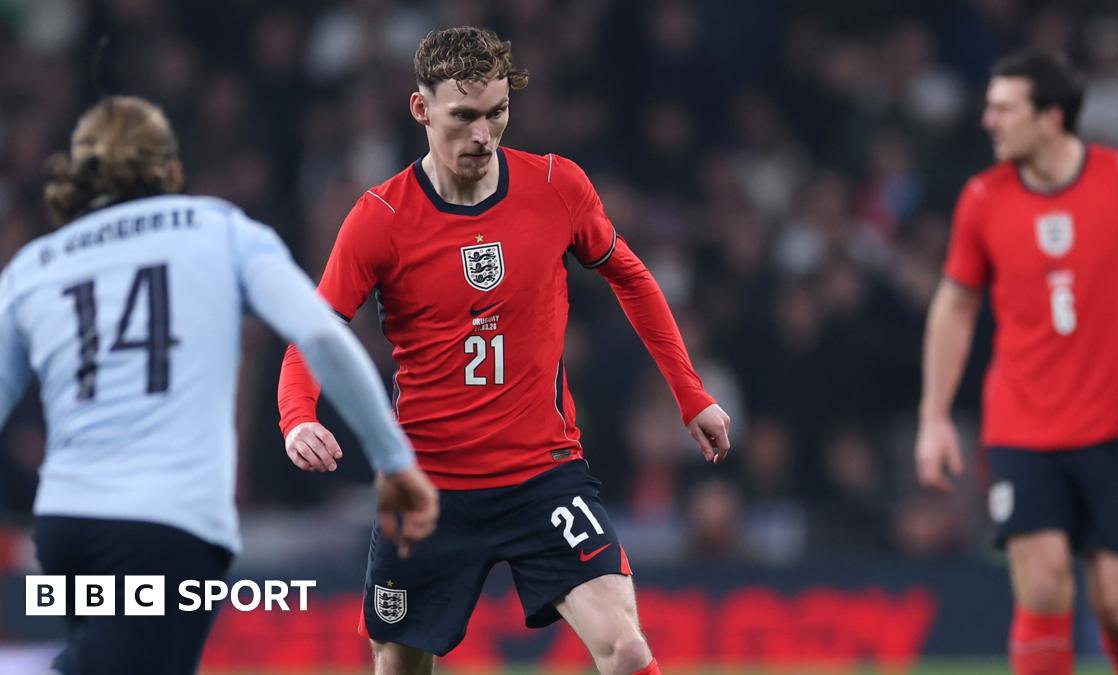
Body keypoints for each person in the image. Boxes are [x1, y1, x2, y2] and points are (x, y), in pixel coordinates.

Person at [277, 26, 731, 675]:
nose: (484, 136)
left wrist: (691, 394)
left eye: (497, 114)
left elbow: (631, 275)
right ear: (421, 109)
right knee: (398, 667)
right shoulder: (381, 217)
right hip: (427, 488)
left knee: (627, 649)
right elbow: (313, 329)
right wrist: (299, 415)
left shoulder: (556, 186)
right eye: (464, 117)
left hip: (545, 476)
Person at [0, 96, 440, 675]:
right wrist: (395, 459)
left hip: (64, 530)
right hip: (168, 524)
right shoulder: (219, 230)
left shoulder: (35, 266)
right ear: (169, 169)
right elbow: (323, 337)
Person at [915, 50, 1118, 675]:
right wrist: (934, 417)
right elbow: (954, 308)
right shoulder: (982, 199)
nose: (988, 120)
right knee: (1043, 589)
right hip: (1021, 426)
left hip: (1115, 427)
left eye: (1003, 108)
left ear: (1050, 118)